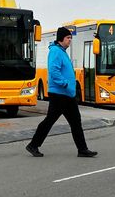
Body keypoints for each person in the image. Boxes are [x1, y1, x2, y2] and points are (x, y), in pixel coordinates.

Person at [26, 27, 97, 158]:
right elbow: (53, 71)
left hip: (66, 94)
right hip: (60, 94)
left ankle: (82, 149)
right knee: (52, 121)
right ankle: (33, 145)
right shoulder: (56, 52)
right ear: (61, 39)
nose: (70, 40)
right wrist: (64, 83)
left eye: (70, 38)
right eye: (68, 38)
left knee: (73, 121)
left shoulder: (61, 51)